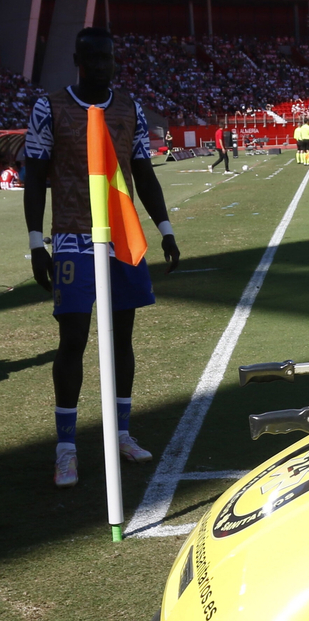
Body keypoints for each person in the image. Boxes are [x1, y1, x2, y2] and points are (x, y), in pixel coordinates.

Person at [25, 27, 181, 488]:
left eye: (109, 59)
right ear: (78, 60)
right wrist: (36, 240)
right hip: (72, 236)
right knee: (73, 339)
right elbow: (35, 175)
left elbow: (142, 171)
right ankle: (67, 447)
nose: (103, 67)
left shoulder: (128, 107)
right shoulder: (48, 107)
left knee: (122, 338)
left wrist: (165, 228)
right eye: (94, 59)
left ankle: (122, 433)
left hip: (120, 238)